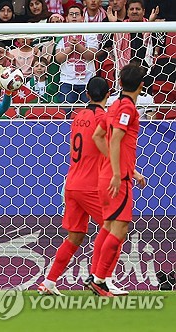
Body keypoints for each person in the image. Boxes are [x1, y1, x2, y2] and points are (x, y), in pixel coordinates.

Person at [37, 76, 110, 296]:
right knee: (114, 228)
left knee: (75, 236)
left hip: (71, 183)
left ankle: (49, 282)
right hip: (90, 185)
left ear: (86, 94)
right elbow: (109, 149)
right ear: (108, 94)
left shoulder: (79, 116)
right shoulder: (103, 118)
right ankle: (101, 279)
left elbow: (72, 148)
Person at [88, 63, 146, 297]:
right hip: (115, 178)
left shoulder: (113, 106)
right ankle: (101, 279)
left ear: (120, 83)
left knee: (109, 226)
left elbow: (97, 136)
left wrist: (127, 170)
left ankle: (97, 277)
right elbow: (114, 140)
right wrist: (117, 171)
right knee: (120, 229)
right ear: (141, 86)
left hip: (111, 174)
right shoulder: (128, 109)